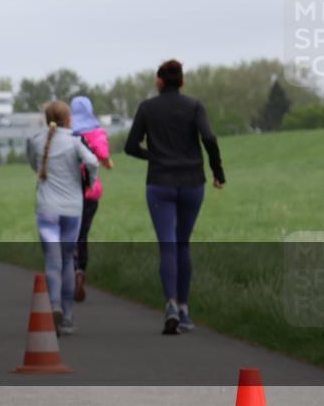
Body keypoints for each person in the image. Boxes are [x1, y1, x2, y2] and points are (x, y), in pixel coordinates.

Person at [125, 59, 226, 335]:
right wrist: (218, 172)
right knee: (183, 244)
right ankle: (184, 309)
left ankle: (169, 304)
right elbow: (209, 138)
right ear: (181, 81)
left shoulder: (147, 108)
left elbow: (130, 146)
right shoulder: (194, 106)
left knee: (167, 245)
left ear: (159, 82)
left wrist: (153, 156)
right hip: (193, 182)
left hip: (159, 183)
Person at [26, 101, 98, 336]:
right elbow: (93, 161)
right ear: (69, 120)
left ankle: (54, 305)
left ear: (47, 120)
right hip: (72, 209)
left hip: (47, 208)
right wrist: (90, 182)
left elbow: (34, 164)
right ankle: (67, 316)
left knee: (52, 262)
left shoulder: (36, 140)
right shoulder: (75, 141)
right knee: (68, 260)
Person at [69, 96, 114, 302]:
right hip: (91, 192)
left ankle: (70, 272)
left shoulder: (67, 132)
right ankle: (81, 273)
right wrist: (107, 163)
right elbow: (103, 155)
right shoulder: (97, 133)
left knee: (70, 235)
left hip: (69, 191)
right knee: (83, 234)